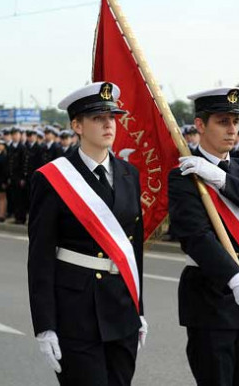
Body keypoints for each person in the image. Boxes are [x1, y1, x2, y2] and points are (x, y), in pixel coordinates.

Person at [28, 82, 146, 386]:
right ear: (77, 125)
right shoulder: (53, 178)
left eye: (112, 117)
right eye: (97, 118)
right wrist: (45, 326)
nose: (109, 124)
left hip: (121, 308)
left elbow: (134, 248)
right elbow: (40, 258)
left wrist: (139, 309)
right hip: (76, 314)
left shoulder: (128, 174)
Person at [168, 87, 239, 386]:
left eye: (235, 122)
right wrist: (234, 278)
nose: (232, 130)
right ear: (200, 125)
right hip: (211, 297)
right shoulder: (183, 174)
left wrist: (220, 178)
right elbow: (195, 236)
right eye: (223, 121)